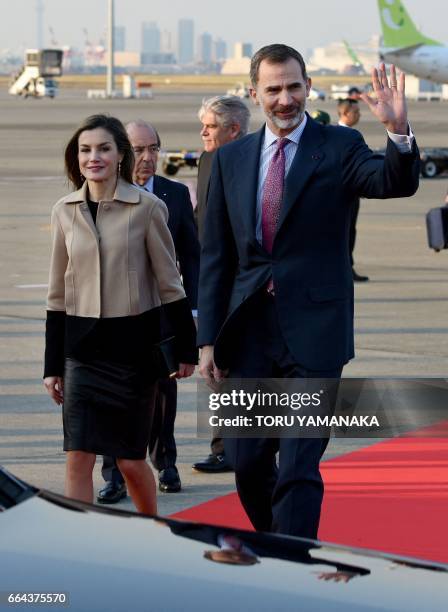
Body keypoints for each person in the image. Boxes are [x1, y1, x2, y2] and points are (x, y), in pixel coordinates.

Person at [197, 44, 419, 538]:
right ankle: (279, 542)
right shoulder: (229, 159)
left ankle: (291, 564)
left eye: (294, 87)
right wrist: (208, 339)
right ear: (254, 94)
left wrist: (397, 133)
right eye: (273, 89)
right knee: (246, 460)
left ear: (309, 88)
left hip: (317, 331)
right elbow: (217, 257)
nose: (284, 99)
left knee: (298, 465)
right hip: (248, 330)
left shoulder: (338, 145)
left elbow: (389, 182)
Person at [43, 114, 197, 515]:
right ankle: (83, 550)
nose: (93, 157)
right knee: (79, 457)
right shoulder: (64, 210)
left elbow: (170, 284)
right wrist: (51, 364)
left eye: (103, 149)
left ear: (119, 156)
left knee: (130, 461)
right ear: (76, 158)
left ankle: (152, 530)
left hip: (134, 355)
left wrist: (186, 349)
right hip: (80, 353)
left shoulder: (147, 207)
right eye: (85, 150)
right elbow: (57, 293)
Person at [98, 120, 200, 501]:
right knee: (113, 395)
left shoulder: (175, 194)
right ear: (123, 153)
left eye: (154, 149)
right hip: (113, 315)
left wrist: (194, 310)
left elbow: (192, 255)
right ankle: (114, 474)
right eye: (139, 150)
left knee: (162, 395)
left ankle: (165, 462)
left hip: (162, 312)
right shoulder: (104, 193)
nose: (147, 158)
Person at [193, 95, 251, 474]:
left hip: (243, 284)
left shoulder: (252, 162)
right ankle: (225, 447)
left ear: (234, 130)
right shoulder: (207, 159)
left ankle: (237, 448)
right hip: (212, 279)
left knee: (236, 370)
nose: (203, 132)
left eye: (210, 127)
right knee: (216, 369)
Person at [337, 97, 369, 282]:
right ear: (346, 113)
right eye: (356, 112)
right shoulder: (342, 136)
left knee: (349, 231)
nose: (359, 115)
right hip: (344, 193)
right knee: (346, 231)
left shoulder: (343, 134)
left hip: (350, 192)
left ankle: (346, 267)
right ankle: (345, 269)